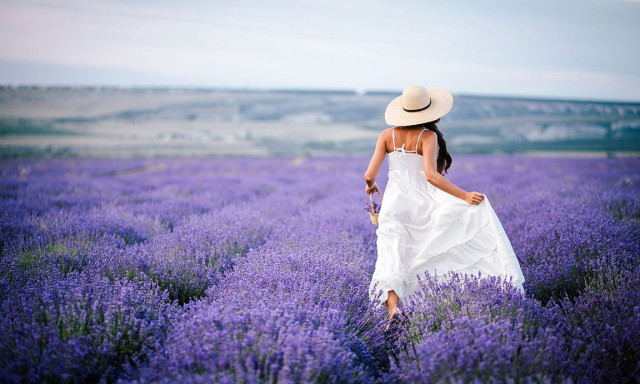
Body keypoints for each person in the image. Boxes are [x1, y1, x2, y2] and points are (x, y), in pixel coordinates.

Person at [364, 84, 526, 326]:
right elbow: (431, 175)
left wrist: (371, 186)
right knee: (429, 250)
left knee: (391, 256)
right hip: (423, 202)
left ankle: (393, 311)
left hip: (395, 205)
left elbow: (369, 175)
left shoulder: (386, 136)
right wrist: (464, 196)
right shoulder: (427, 136)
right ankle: (435, 302)